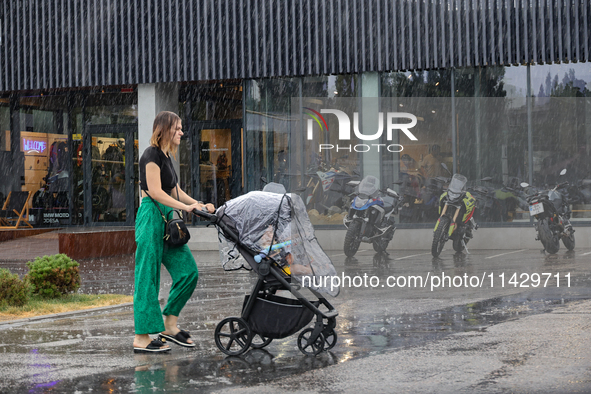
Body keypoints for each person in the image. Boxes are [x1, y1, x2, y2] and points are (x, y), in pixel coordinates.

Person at [133, 111, 215, 353]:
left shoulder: (166, 156)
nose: (181, 132)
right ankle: (141, 337)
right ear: (165, 129)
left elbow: (175, 191)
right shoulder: (150, 154)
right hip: (151, 215)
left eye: (181, 128)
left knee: (187, 271)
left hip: (167, 216)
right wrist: (185, 208)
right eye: (177, 128)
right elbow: (156, 192)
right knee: (147, 277)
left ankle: (169, 324)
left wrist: (198, 205)